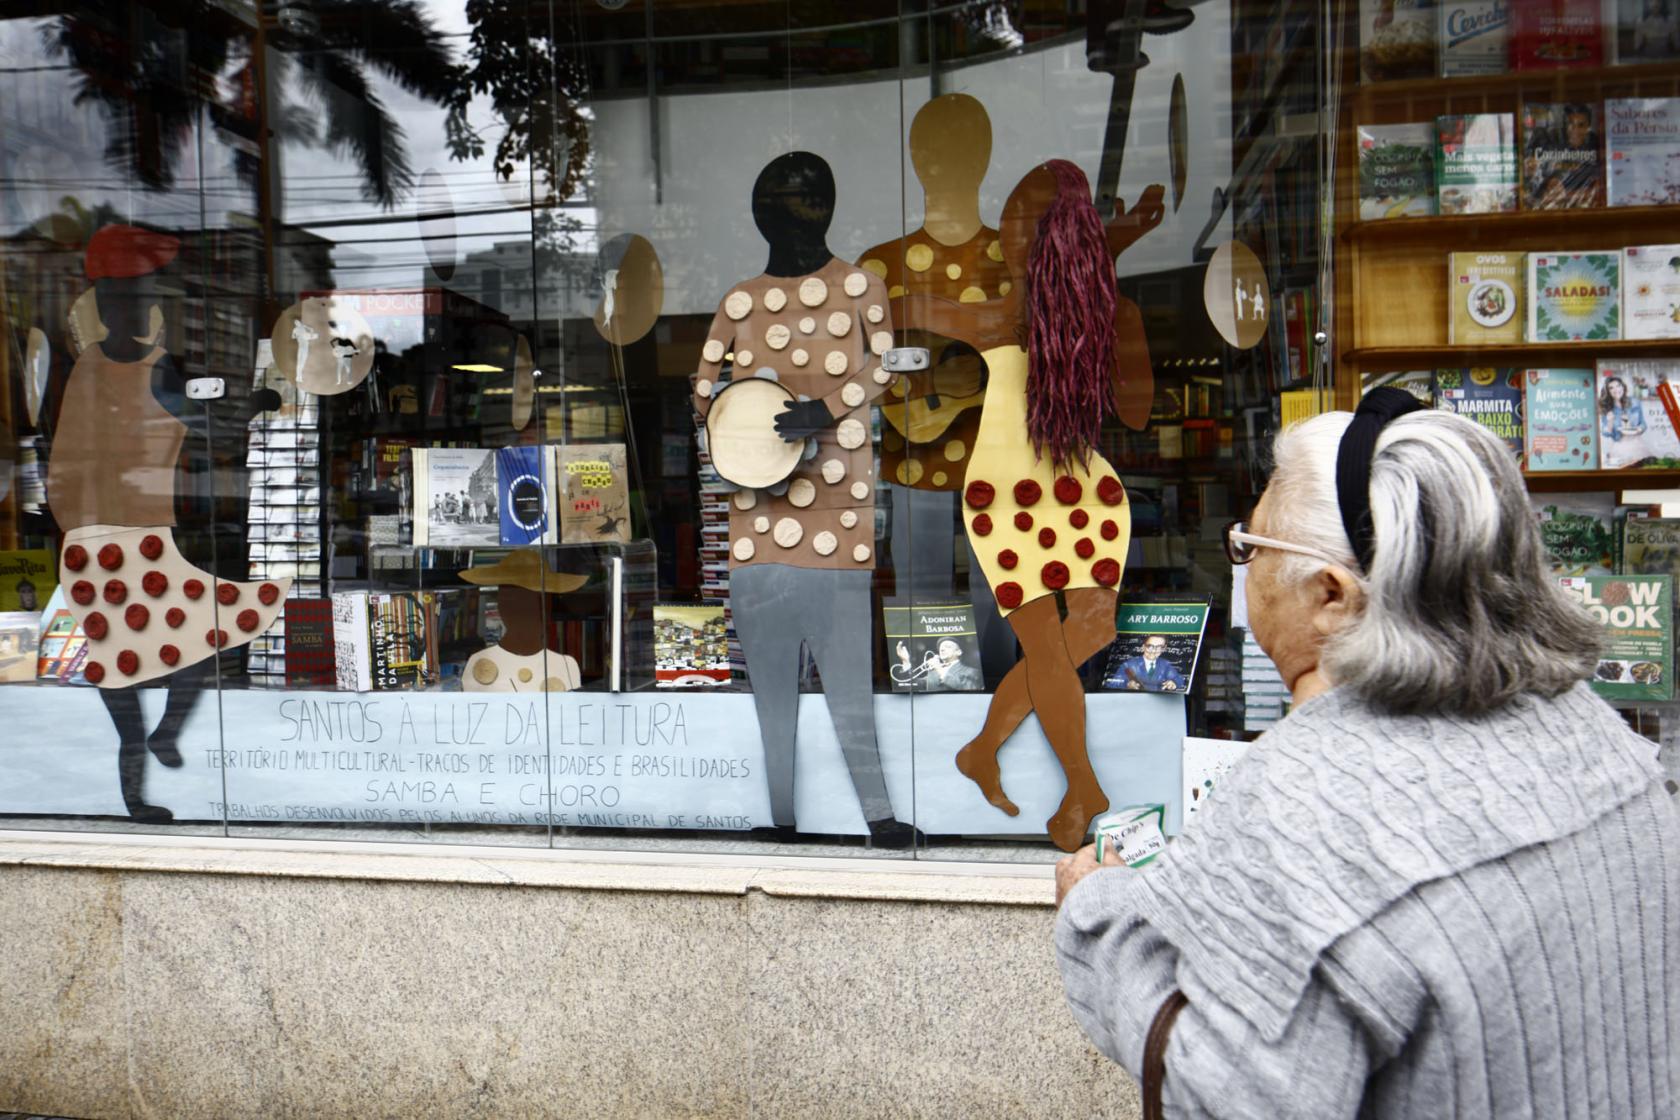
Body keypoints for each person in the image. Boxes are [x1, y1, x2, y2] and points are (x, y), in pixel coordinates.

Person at [1054, 393, 1679, 1117]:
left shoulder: (1301, 800)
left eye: (1249, 548)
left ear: (1331, 596)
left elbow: (1229, 1097)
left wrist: (1099, 922)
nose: (1242, 568)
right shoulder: (1601, 738)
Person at [894, 159, 1162, 850]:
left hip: (1008, 496)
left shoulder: (997, 316)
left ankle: (986, 747)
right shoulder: (1100, 315)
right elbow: (1138, 413)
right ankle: (1082, 785)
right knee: (1072, 637)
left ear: (1020, 240)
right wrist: (1117, 275)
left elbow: (910, 309)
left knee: (1066, 640)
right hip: (1077, 490)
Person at [893, 636, 983, 691]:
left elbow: (969, 690)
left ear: (958, 652)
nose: (942, 649)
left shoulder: (972, 672)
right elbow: (910, 686)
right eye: (941, 648)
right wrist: (906, 662)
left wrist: (939, 669)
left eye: (948, 646)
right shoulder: (932, 673)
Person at [1110, 635, 1184, 692]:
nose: (1154, 650)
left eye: (1159, 647)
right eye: (1150, 646)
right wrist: (1126, 684)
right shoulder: (1128, 665)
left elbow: (1179, 678)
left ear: (1164, 649)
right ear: (1143, 647)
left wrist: (1174, 683)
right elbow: (1113, 683)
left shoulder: (1165, 664)